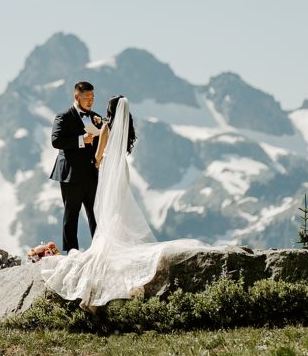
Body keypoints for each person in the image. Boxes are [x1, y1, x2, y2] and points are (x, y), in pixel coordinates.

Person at [42, 94, 201, 307]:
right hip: (121, 169)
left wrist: (94, 161)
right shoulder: (126, 129)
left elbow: (98, 155)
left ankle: (108, 242)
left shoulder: (107, 127)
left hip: (108, 168)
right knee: (120, 205)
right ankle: (121, 239)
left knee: (108, 208)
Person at [50, 81, 105, 253]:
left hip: (91, 172)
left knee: (96, 213)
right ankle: (71, 253)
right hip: (71, 174)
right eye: (87, 97)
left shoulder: (97, 117)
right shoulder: (63, 116)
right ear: (76, 96)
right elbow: (56, 141)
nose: (90, 101)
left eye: (93, 97)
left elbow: (101, 141)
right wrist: (82, 140)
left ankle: (99, 250)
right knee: (71, 215)